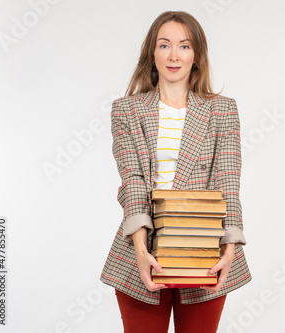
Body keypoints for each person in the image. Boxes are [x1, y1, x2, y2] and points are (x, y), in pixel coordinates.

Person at [99, 10, 252, 333]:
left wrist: (230, 246)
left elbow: (228, 183)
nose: (173, 55)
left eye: (184, 46)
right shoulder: (127, 110)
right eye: (164, 45)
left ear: (196, 56)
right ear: (151, 54)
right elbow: (133, 182)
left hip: (205, 247)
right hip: (141, 245)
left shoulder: (221, 110)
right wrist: (141, 249)